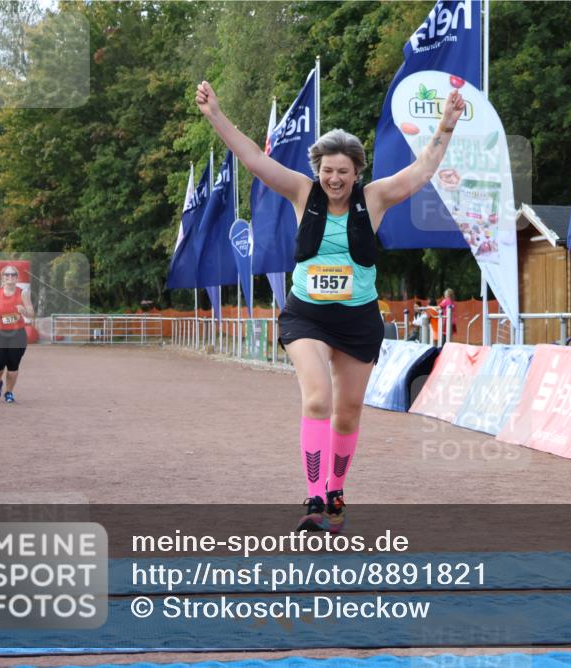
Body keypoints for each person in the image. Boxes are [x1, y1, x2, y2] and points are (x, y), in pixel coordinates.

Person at [196, 79, 465, 533]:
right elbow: (255, 159)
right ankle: (315, 496)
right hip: (308, 316)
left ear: (356, 172)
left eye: (343, 171)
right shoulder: (303, 192)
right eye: (328, 171)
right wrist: (216, 115)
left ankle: (336, 492)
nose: (334, 179)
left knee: (348, 411)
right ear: (318, 170)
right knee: (318, 398)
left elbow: (422, 170)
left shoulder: (374, 198)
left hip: (358, 321)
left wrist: (446, 125)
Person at [0, 265, 34, 403]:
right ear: (3, 277)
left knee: (13, 365)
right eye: (7, 275)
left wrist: (24, 311)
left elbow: (31, 313)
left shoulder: (23, 293)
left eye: (13, 275)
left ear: (17, 277)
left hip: (17, 334)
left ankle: (9, 393)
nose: (10, 277)